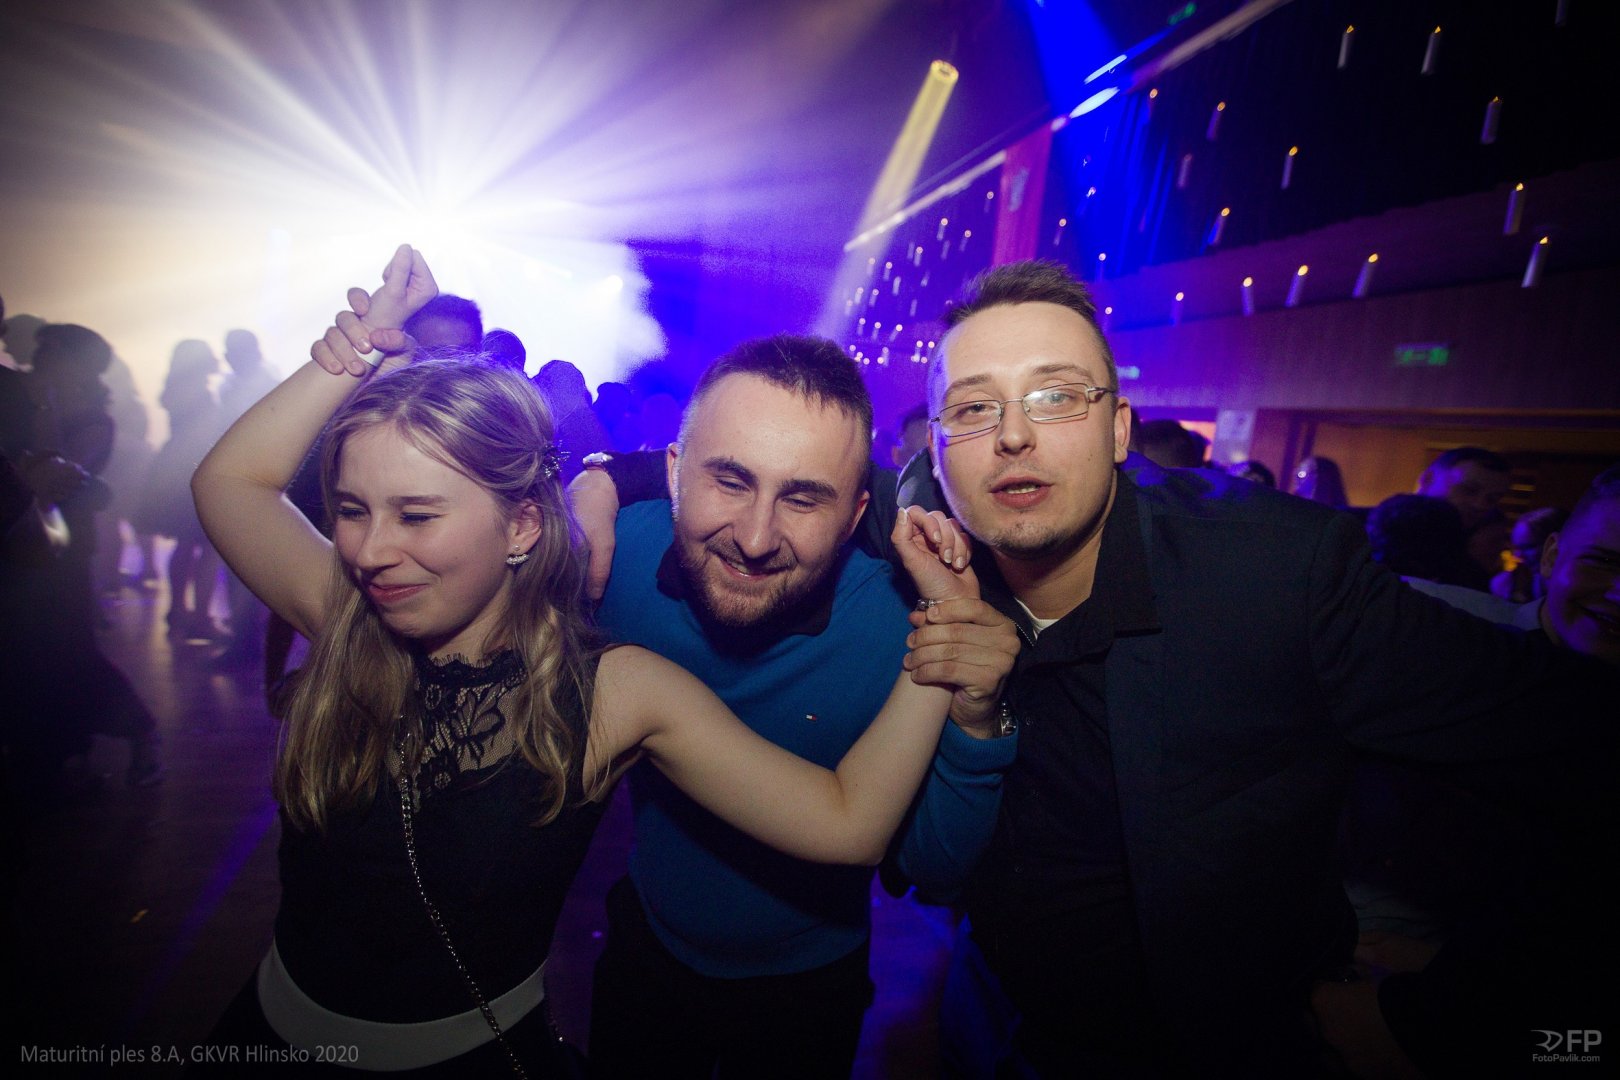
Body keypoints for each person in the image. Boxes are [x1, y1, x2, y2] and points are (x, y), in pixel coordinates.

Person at [193, 246, 990, 1074]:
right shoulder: (353, 618)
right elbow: (229, 483)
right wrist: (354, 353)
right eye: (353, 511)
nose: (368, 550)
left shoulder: (610, 689)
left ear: (521, 526)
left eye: (418, 516)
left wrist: (946, 624)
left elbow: (848, 822)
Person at [890, 259, 1615, 1077]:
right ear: (938, 450)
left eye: (1056, 395)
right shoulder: (921, 575)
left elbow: (1582, 739)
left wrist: (1450, 1019)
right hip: (997, 1016)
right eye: (974, 407)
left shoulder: (1277, 572)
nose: (1014, 435)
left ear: (1119, 430)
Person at [564, 335, 1018, 1079]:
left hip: (811, 985)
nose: (754, 538)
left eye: (803, 498)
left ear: (855, 516)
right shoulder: (609, 563)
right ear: (673, 471)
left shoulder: (906, 624)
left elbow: (935, 870)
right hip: (645, 944)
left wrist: (976, 720)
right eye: (729, 480)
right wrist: (594, 479)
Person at [1490, 505, 1567, 603]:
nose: (1518, 556)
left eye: (1528, 547)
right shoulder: (1506, 584)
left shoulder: (1573, 587)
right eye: (1517, 548)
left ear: (1553, 544)